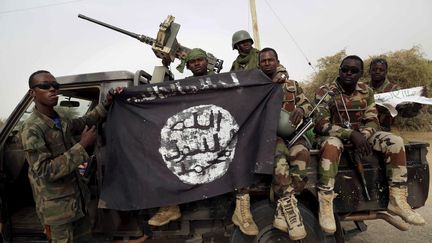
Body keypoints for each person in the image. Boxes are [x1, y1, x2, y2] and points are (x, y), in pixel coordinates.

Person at [314, 55, 426, 234]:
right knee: (331, 146)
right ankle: (326, 204)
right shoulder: (326, 91)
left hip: (362, 136)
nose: (348, 73)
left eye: (354, 70)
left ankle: (397, 199)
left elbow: (372, 119)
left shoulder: (367, 91)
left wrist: (364, 136)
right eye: (345, 69)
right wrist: (351, 135)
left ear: (361, 74)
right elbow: (321, 124)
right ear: (339, 70)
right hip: (335, 135)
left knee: (395, 141)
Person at [21, 70, 123, 242]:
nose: (53, 90)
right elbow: (45, 170)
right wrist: (82, 145)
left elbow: (85, 121)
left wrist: (107, 102)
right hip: (57, 213)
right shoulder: (31, 129)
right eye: (45, 86)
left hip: (77, 204)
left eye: (55, 86)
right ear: (32, 92)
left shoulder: (60, 119)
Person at [148, 48, 213, 227]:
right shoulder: (183, 85)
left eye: (200, 59)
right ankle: (170, 206)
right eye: (193, 61)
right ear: (188, 65)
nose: (197, 63)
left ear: (207, 61)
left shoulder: (220, 81)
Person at [259, 47, 313, 240]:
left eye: (270, 60)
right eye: (263, 61)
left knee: (302, 155)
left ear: (277, 61)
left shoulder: (291, 85)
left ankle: (284, 209)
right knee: (279, 161)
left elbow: (307, 104)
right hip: (271, 136)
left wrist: (301, 109)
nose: (267, 63)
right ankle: (291, 210)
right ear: (259, 64)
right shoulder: (256, 87)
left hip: (295, 134)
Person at [368, 58, 423, 131]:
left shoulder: (394, 90)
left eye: (381, 70)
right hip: (361, 129)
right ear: (370, 71)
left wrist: (415, 107)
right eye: (374, 69)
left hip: (384, 131)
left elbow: (404, 112)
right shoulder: (363, 88)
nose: (377, 72)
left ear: (386, 72)